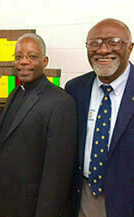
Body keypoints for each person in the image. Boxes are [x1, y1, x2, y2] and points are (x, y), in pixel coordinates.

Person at [0, 33, 77, 217]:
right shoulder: (15, 94)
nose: (24, 62)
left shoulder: (60, 101)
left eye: (32, 56)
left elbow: (58, 173)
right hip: (7, 202)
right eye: (18, 57)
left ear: (45, 61)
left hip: (33, 207)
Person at [65, 18, 134, 217]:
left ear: (130, 48)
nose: (102, 50)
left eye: (113, 42)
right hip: (84, 196)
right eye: (94, 43)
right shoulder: (75, 89)